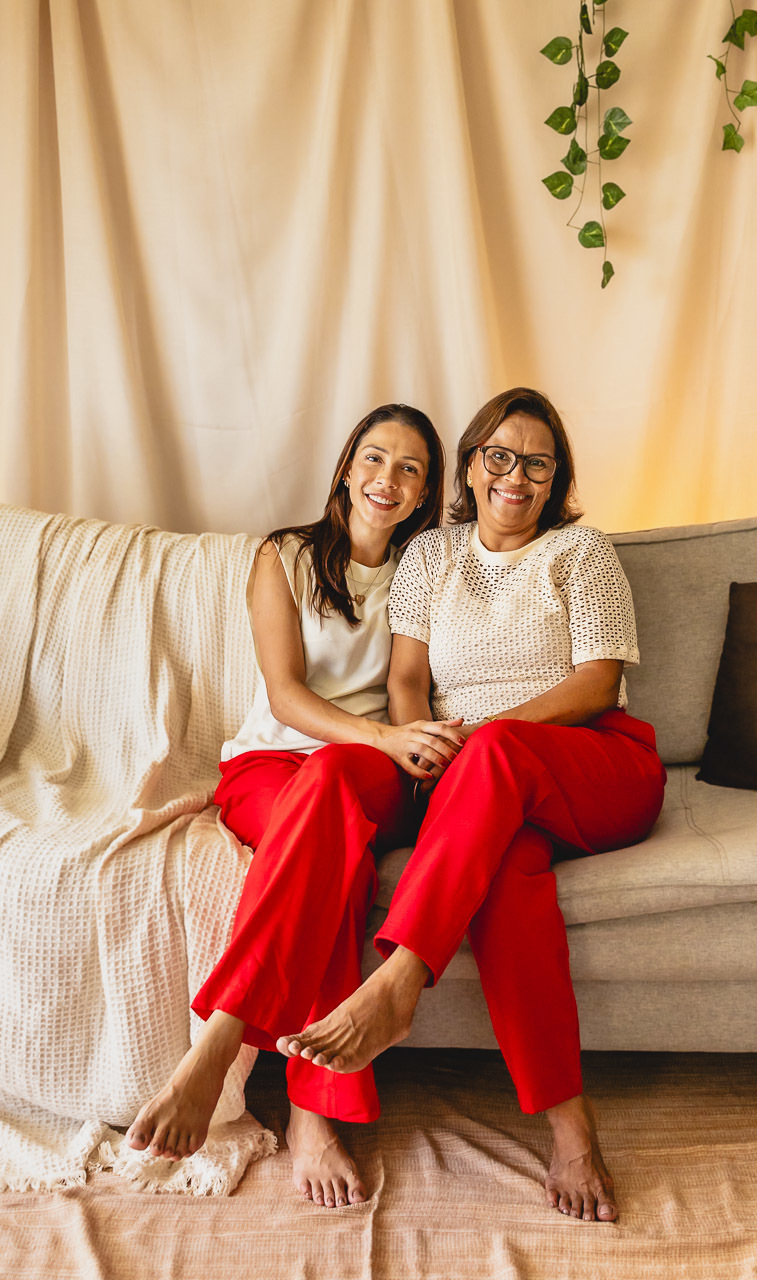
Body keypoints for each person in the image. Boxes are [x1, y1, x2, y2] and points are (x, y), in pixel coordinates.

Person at [278, 387, 667, 1223]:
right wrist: (423, 745)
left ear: (556, 477)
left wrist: (482, 738)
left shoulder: (580, 551)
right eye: (498, 456)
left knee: (494, 752)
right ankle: (570, 1129)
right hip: (481, 788)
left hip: (594, 765)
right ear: (470, 465)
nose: (514, 477)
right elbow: (406, 678)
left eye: (536, 463)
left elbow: (596, 683)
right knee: (508, 881)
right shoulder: (431, 556)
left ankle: (399, 979)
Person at [127, 404, 464, 1209]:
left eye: (410, 468)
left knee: (333, 791)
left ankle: (221, 1034)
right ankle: (315, 1113)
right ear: (346, 469)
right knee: (329, 847)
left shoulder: (424, 570)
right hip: (271, 766)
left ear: (424, 493)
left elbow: (407, 686)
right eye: (374, 458)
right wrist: (381, 736)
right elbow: (284, 694)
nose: (388, 479)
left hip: (366, 771)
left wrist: (404, 745)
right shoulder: (283, 557)